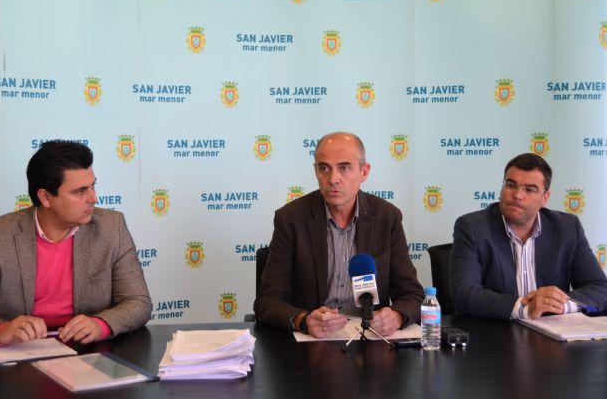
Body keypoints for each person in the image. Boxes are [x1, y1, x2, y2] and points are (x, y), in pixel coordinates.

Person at [0, 141, 152, 346]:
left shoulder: (112, 227)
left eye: (92, 186)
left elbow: (138, 302)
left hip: (88, 351)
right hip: (20, 352)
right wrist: (0, 330)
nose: (93, 198)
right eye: (80, 191)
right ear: (45, 197)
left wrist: (100, 325)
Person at [253, 132, 424, 338]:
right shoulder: (291, 219)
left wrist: (396, 316)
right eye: (324, 168)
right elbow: (267, 301)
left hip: (370, 338)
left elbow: (412, 295)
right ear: (316, 171)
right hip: (313, 340)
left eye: (344, 168)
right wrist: (303, 320)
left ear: (364, 172)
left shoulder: (387, 218)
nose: (333, 179)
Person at [450, 153, 607, 320]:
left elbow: (600, 288)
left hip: (552, 330)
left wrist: (561, 305)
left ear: (545, 198)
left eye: (529, 190)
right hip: (495, 330)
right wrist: (526, 308)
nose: (517, 195)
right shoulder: (472, 227)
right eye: (511, 185)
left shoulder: (568, 228)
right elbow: (463, 295)